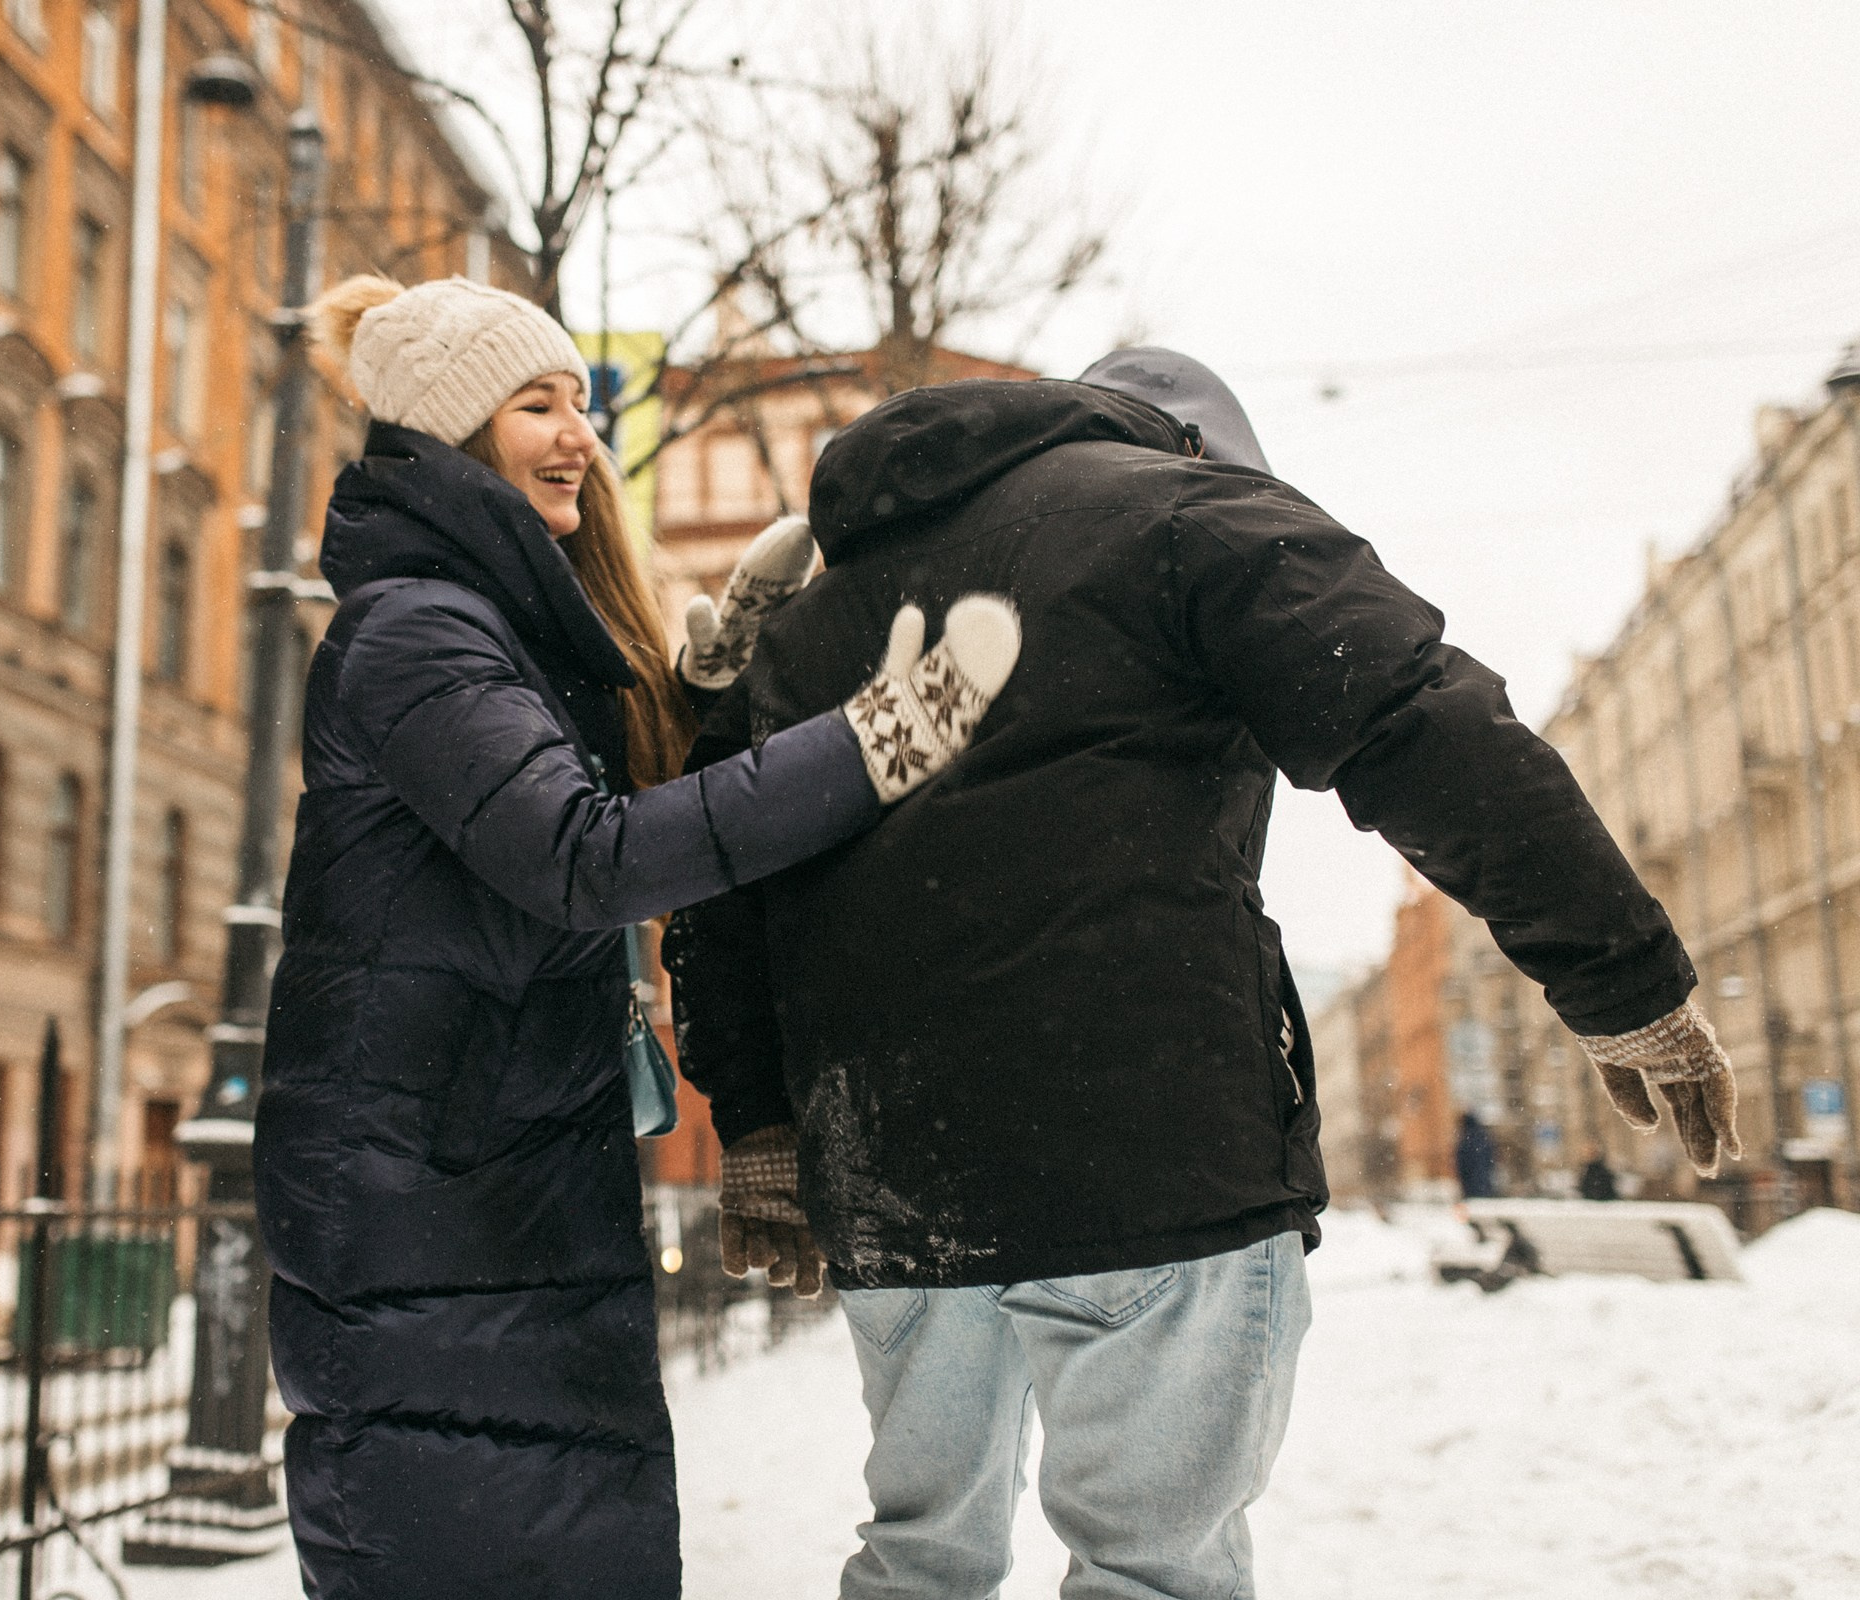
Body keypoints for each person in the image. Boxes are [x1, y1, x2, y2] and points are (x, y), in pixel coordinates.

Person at [664, 350, 1742, 1599]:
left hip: (897, 1171)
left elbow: (730, 858)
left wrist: (753, 1118)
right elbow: (1411, 720)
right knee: (1153, 1570)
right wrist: (1624, 982)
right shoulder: (1190, 514)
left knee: (919, 1560)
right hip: (1147, 1143)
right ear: (1199, 445)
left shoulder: (816, 618)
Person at [253, 274, 1021, 1600]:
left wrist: (719, 691)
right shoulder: (418, 634)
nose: (579, 436)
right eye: (537, 405)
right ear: (451, 433)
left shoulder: (486, 626)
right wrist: (879, 741)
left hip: (481, 1199)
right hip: (430, 1224)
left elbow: (614, 816)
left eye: (582, 406)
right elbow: (585, 856)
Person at [1455, 1110, 1501, 1199]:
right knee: (1483, 1203)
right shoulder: (1484, 1137)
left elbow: (1461, 1162)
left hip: (1470, 1182)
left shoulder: (1466, 1139)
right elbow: (1492, 1157)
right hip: (1485, 1180)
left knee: (1474, 1203)